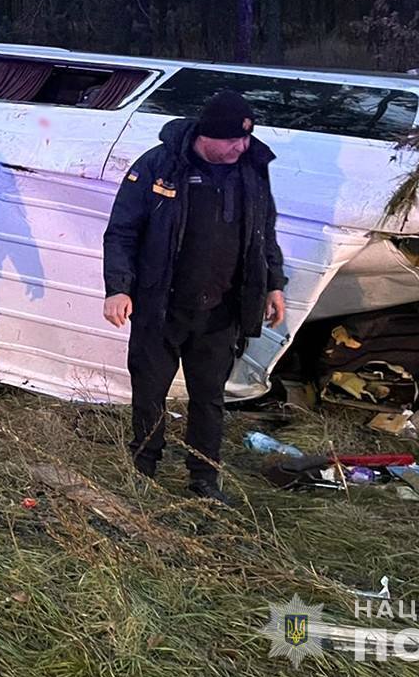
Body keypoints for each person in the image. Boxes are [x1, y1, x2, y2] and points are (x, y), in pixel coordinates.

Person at [101, 89, 287, 504]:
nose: (242, 147)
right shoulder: (159, 165)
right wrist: (118, 288)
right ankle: (143, 472)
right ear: (207, 136)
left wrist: (274, 283)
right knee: (150, 393)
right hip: (161, 305)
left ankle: (204, 478)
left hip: (221, 309)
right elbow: (122, 232)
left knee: (209, 398)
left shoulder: (252, 168)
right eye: (233, 140)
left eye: (245, 138)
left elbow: (265, 233)